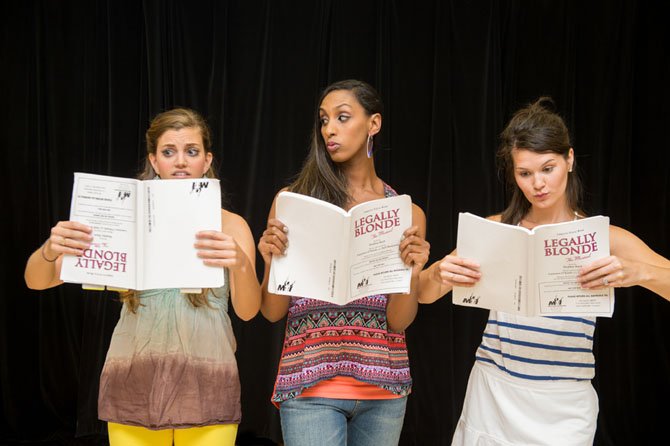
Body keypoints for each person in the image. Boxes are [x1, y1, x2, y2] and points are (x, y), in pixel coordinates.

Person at [419, 97, 670, 445]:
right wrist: (439, 274)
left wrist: (637, 272)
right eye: (525, 173)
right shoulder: (497, 229)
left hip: (565, 405)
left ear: (569, 159)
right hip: (494, 394)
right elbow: (423, 293)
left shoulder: (602, 237)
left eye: (547, 168)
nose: (538, 183)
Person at [24, 108, 262, 446]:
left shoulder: (231, 225)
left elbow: (249, 311)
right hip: (133, 385)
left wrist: (239, 263)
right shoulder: (126, 221)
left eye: (191, 151)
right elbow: (36, 279)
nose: (180, 161)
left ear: (207, 160)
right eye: (169, 152)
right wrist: (50, 248)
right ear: (154, 160)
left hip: (206, 385)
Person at [257, 79, 430, 446]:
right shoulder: (294, 201)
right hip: (310, 384)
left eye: (342, 117)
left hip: (384, 389)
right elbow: (272, 312)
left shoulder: (405, 211)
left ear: (374, 123)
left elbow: (399, 321)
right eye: (323, 120)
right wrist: (271, 259)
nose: (329, 129)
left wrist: (412, 273)